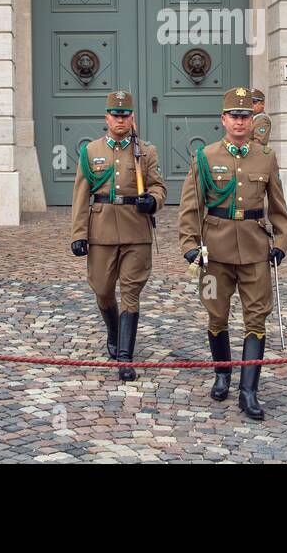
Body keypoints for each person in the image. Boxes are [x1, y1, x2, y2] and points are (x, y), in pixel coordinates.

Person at [177, 87, 287, 420]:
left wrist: (281, 244)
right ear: (224, 119)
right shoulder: (205, 157)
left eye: (246, 116)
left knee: (257, 319)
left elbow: (280, 209)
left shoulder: (266, 157)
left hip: (256, 251)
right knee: (216, 314)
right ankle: (223, 373)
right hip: (214, 254)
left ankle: (248, 391)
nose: (241, 122)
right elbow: (190, 207)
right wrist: (188, 245)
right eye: (235, 116)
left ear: (252, 119)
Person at [69, 90, 165, 381]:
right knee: (102, 288)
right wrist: (78, 233)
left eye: (125, 115)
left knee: (131, 292)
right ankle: (112, 329)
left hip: (136, 230)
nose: (120, 120)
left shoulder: (146, 151)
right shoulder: (91, 151)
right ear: (107, 118)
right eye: (115, 115)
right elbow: (80, 195)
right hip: (102, 230)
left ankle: (125, 357)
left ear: (132, 118)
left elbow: (159, 187)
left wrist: (153, 200)